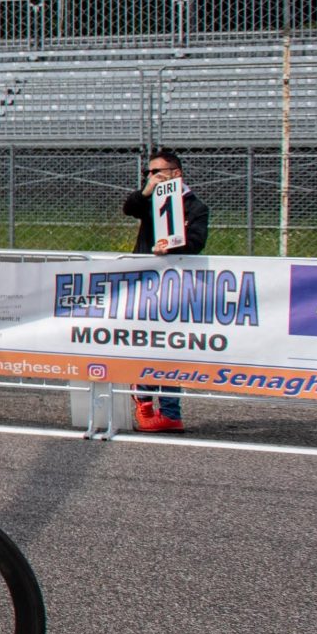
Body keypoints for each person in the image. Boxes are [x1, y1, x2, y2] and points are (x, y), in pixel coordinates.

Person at [122, 148, 208, 433]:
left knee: (167, 350)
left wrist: (172, 247)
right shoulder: (149, 201)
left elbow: (196, 242)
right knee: (141, 344)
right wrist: (147, 190)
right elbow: (129, 208)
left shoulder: (195, 206)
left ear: (176, 173)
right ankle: (144, 401)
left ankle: (170, 412)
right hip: (143, 283)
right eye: (148, 172)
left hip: (175, 288)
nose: (152, 176)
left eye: (157, 172)